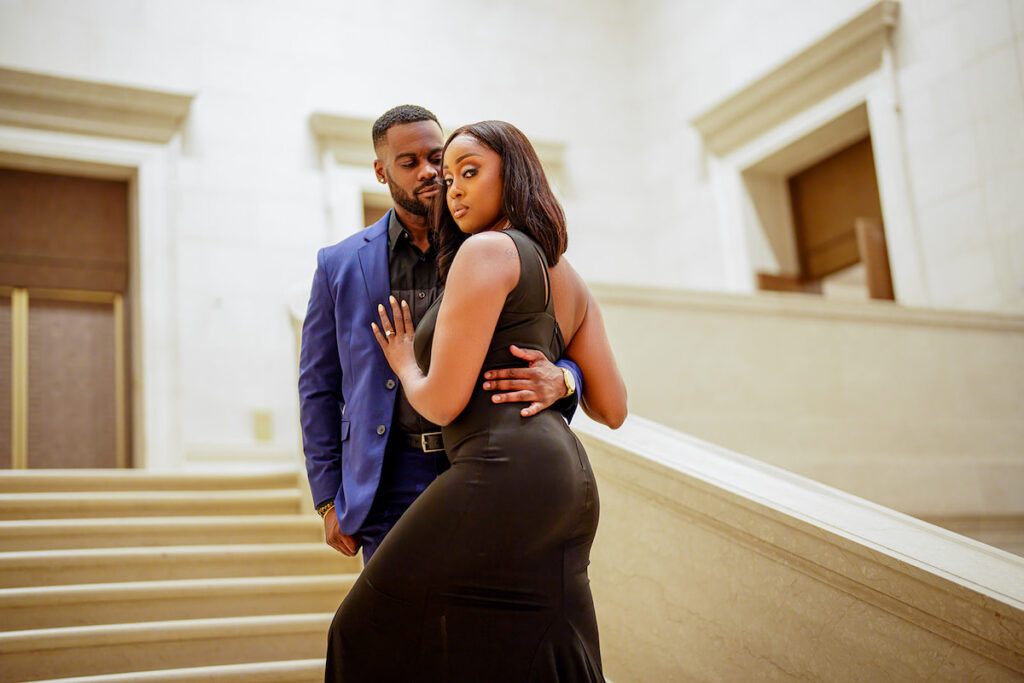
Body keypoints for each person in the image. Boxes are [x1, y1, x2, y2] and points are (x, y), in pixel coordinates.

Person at [326, 120, 627, 682]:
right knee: (549, 651)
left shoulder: (485, 250)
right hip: (569, 481)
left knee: (361, 627)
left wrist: (404, 363)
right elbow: (614, 408)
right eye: (450, 177)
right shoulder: (570, 277)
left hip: (500, 469)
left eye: (470, 172)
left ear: (512, 176)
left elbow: (441, 403)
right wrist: (564, 381)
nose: (454, 189)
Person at [299, 105, 584, 563]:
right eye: (409, 162)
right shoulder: (338, 264)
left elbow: (556, 341)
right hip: (385, 478)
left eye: (437, 156)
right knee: (392, 630)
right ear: (381, 171)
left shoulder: (494, 248)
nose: (429, 172)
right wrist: (329, 498)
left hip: (481, 464)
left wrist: (565, 378)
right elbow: (318, 387)